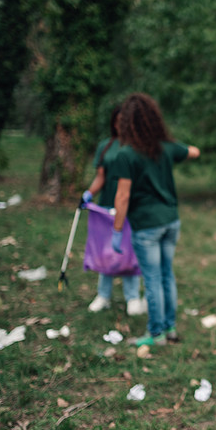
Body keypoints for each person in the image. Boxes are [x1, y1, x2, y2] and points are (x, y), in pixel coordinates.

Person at [109, 92, 200, 347]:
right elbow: (194, 151)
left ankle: (156, 334)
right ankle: (169, 328)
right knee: (166, 275)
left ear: (127, 122)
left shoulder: (125, 155)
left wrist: (117, 230)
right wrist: (176, 147)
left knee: (152, 280)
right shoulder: (166, 148)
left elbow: (123, 196)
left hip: (147, 226)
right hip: (171, 221)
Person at [82, 105, 146, 316]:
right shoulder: (106, 146)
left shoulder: (138, 147)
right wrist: (89, 193)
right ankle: (103, 295)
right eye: (118, 121)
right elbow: (101, 176)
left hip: (130, 208)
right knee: (104, 252)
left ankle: (132, 297)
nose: (121, 126)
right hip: (106, 207)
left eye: (125, 122)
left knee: (129, 252)